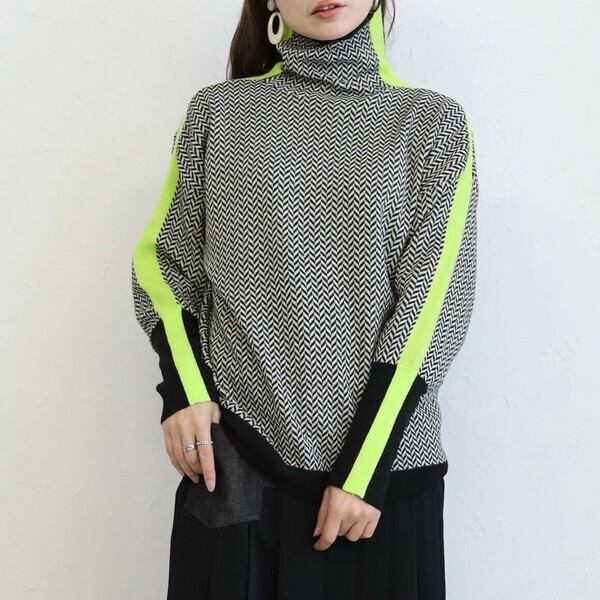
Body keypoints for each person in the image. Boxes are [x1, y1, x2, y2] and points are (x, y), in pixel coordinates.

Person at [131, 0, 479, 598]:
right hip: (235, 470)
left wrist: (364, 470)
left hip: (380, 488)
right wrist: (183, 391)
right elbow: (164, 265)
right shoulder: (219, 114)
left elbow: (434, 309)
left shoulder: (431, 124)